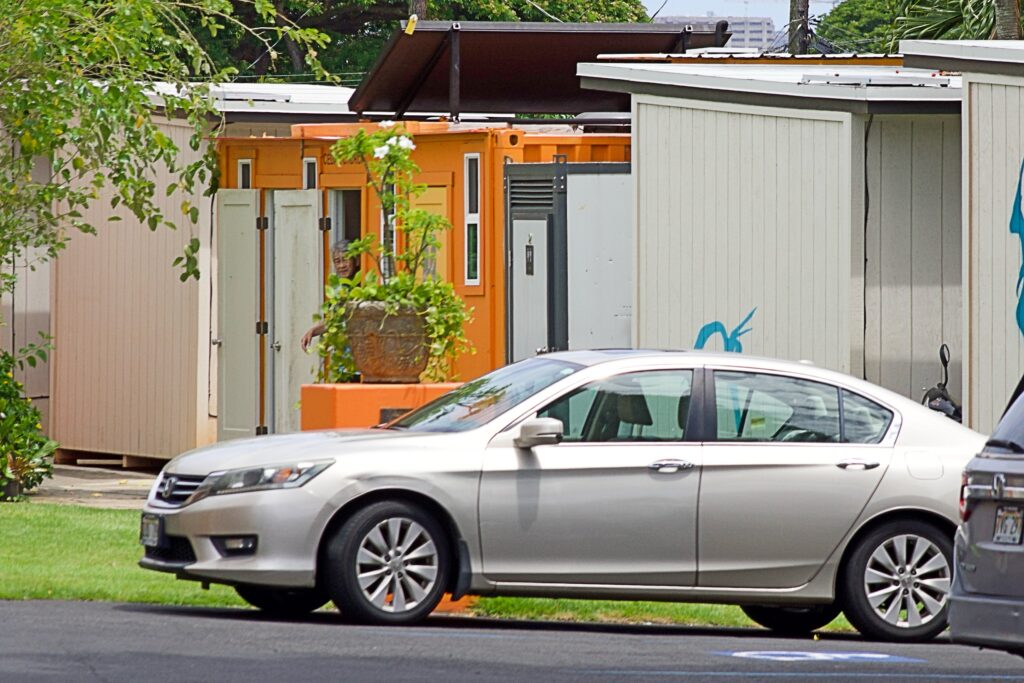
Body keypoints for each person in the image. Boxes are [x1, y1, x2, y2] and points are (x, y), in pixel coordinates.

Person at [301, 241, 358, 351]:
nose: (341, 265)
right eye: (337, 261)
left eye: (345, 259)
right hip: (343, 350)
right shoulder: (338, 289)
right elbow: (333, 321)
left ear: (356, 261)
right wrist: (312, 331)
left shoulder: (362, 286)